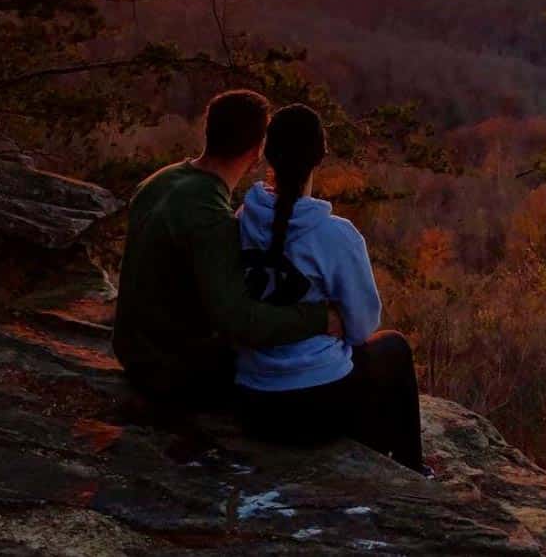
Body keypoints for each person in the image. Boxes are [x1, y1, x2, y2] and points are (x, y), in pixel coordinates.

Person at [112, 89, 342, 407]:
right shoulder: (211, 217)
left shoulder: (159, 181)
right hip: (173, 371)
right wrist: (320, 319)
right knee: (316, 368)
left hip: (134, 350)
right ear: (257, 151)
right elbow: (240, 320)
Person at [234, 103, 425, 474]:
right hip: (313, 411)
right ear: (320, 156)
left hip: (251, 403)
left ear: (266, 154)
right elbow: (361, 328)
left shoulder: (242, 219)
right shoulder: (335, 235)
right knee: (393, 349)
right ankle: (411, 471)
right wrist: (327, 322)